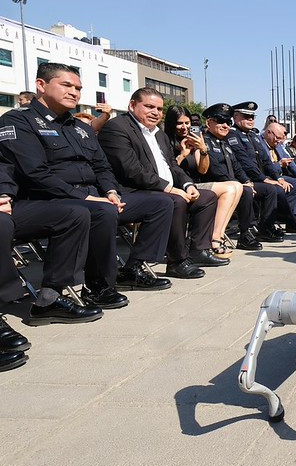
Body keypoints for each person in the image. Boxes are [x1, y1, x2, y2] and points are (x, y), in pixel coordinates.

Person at [0, 63, 173, 303]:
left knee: (161, 202)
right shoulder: (20, 121)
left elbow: (101, 167)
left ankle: (134, 267)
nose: (74, 92)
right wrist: (86, 198)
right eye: (66, 85)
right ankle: (96, 285)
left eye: (78, 88)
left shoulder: (80, 128)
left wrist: (111, 191)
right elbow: (34, 173)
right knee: (99, 211)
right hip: (50, 199)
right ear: (41, 85)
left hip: (95, 195)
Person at [98, 88, 227, 280]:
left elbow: (173, 165)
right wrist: (171, 189)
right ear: (132, 105)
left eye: (159, 109)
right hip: (134, 190)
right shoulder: (117, 127)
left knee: (206, 197)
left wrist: (187, 185)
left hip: (164, 188)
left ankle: (198, 250)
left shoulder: (158, 134)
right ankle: (176, 261)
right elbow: (132, 170)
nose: (155, 112)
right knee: (175, 201)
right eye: (149, 106)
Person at [1, 153, 101, 344]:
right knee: (2, 223)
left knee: (74, 214)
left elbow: (3, 166)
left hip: (8, 205)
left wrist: (3, 195)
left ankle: (49, 300)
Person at [164, 105, 240, 258]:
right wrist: (183, 154)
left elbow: (202, 170)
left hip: (195, 184)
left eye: (187, 123)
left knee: (237, 186)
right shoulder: (164, 140)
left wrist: (203, 150)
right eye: (180, 123)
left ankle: (217, 235)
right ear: (172, 123)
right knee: (230, 189)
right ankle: (215, 239)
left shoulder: (193, 139)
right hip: (175, 186)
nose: (184, 127)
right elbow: (167, 171)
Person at [225, 102, 296, 240]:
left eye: (252, 117)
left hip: (259, 177)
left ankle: (277, 223)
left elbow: (265, 160)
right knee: (273, 190)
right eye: (246, 116)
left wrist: (277, 178)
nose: (250, 120)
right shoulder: (233, 135)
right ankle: (268, 227)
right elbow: (245, 163)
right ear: (236, 117)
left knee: (284, 185)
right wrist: (265, 179)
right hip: (245, 179)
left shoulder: (253, 136)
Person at [199, 103, 264, 250]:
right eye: (220, 121)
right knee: (245, 191)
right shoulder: (205, 142)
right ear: (209, 122)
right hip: (214, 186)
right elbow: (215, 171)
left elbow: (237, 167)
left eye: (228, 122)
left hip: (232, 186)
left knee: (255, 189)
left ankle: (258, 229)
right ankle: (245, 233)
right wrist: (241, 185)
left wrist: (247, 181)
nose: (225, 126)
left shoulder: (225, 144)